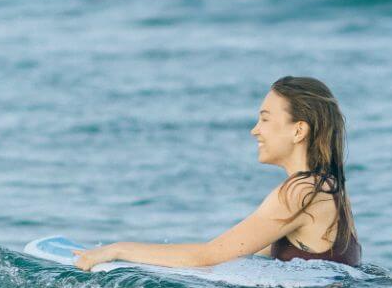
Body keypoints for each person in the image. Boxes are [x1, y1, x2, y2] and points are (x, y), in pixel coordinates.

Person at [72, 76, 361, 271]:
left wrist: (117, 250)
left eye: (265, 119)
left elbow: (208, 256)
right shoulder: (330, 188)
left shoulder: (301, 192)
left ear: (299, 130)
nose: (255, 130)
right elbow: (236, 258)